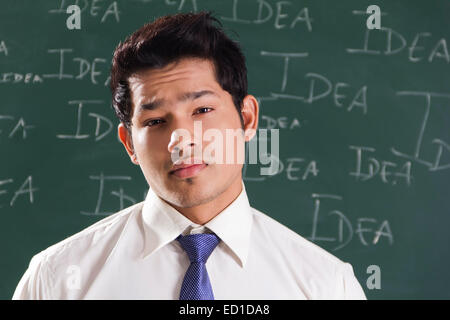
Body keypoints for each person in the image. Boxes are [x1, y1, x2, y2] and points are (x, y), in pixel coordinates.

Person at [12, 11, 366, 300]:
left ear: (247, 119)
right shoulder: (56, 281)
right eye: (155, 121)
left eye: (201, 111)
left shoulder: (326, 286)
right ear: (129, 143)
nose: (180, 141)